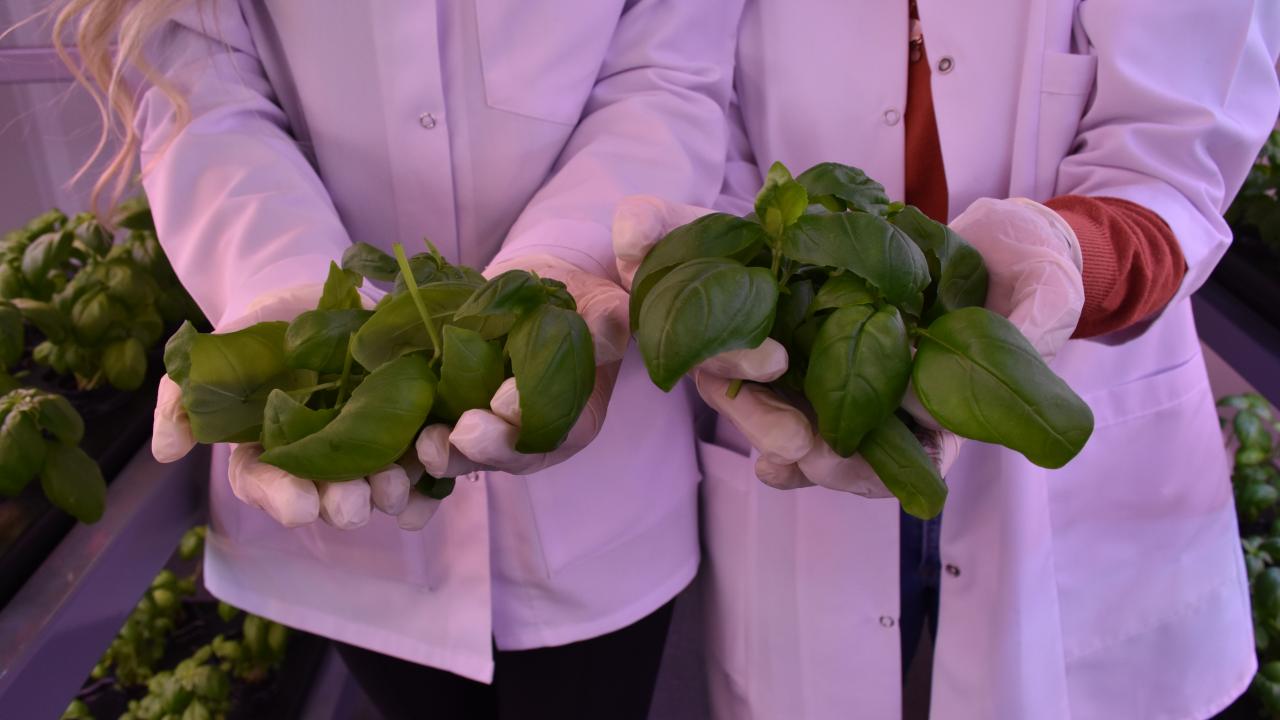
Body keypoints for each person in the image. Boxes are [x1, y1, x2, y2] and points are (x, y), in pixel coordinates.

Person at [51, 0, 750, 717]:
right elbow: (200, 91)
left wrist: (572, 254)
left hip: (600, 474)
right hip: (350, 506)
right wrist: (284, 279)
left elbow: (663, 73)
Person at [615, 0, 1280, 717]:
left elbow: (1177, 151)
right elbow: (693, 87)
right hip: (812, 400)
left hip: (1065, 418)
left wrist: (1070, 254)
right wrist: (732, 260)